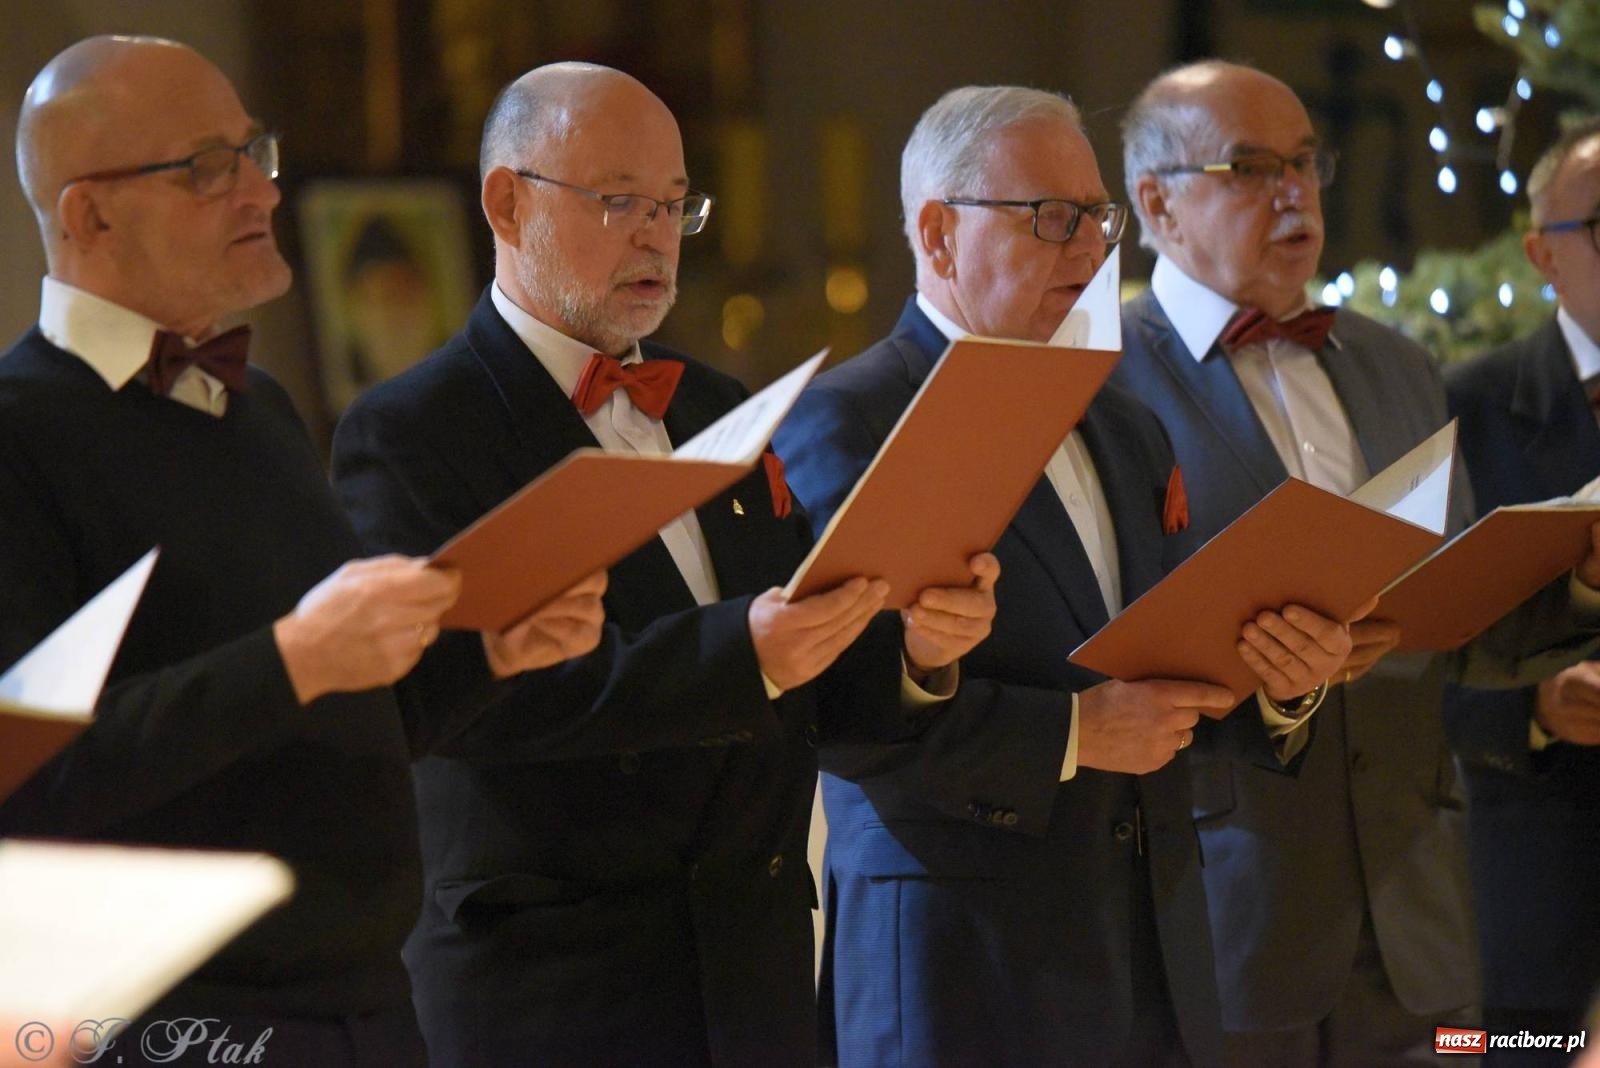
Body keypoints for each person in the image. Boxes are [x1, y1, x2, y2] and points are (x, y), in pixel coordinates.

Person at [330, 61, 997, 1067]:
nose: (655, 235)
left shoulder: (715, 406)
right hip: (554, 997)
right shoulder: (412, 430)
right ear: (507, 204)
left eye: (674, 206)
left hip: (754, 987)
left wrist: (916, 653)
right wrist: (749, 652)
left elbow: (804, 677)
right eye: (619, 202)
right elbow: (471, 704)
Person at [0, 36, 604, 1066]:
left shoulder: (257, 407)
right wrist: (295, 655)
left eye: (253, 152)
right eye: (207, 167)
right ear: (88, 214)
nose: (260, 194)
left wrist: (490, 654)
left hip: (368, 1001)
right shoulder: (21, 432)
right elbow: (30, 772)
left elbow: (344, 727)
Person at [774, 84, 1356, 1068]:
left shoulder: (1121, 420)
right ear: (937, 232)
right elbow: (838, 715)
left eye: (1096, 218)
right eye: (1050, 219)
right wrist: (1076, 733)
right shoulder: (849, 418)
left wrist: (1282, 680)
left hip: (1153, 951)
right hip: (963, 968)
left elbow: (1160, 665)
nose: (1088, 251)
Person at [1117, 59, 1600, 1066]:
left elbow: (1453, 623)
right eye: (1251, 167)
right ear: (1155, 201)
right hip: (1222, 907)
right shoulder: (1107, 381)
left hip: (1413, 906)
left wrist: (1578, 579)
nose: (1295, 192)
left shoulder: (1393, 363)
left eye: (1304, 162)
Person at [1445, 119, 1600, 1067]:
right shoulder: (1469, 404)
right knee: (1515, 1051)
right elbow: (1408, 642)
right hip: (1539, 847)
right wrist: (1533, 711)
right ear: (1543, 253)